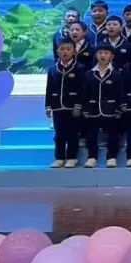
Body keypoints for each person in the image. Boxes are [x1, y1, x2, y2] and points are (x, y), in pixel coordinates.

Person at [81, 44, 123, 168]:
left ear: (112, 56)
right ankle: (92, 157)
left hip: (111, 109)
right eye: (100, 53)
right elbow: (84, 94)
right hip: (93, 109)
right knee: (91, 134)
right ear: (96, 55)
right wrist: (85, 108)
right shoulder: (89, 74)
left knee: (113, 134)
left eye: (106, 53)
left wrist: (119, 108)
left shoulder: (117, 74)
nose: (103, 55)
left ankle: (111, 157)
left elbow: (120, 93)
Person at [45, 39, 84, 168]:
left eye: (68, 49)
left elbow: (81, 89)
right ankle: (59, 158)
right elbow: (49, 88)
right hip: (57, 106)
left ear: (74, 52)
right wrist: (48, 106)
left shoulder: (79, 68)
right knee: (59, 134)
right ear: (57, 51)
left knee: (72, 133)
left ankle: (72, 157)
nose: (65, 52)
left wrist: (78, 105)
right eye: (62, 49)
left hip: (73, 107)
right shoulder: (52, 69)